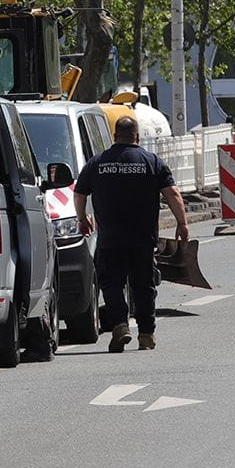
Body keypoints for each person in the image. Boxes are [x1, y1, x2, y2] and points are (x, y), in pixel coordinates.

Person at [73, 114, 188, 353]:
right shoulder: (151, 161)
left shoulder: (97, 163)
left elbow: (79, 194)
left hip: (110, 239)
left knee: (111, 283)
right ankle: (146, 334)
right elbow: (173, 194)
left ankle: (120, 325)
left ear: (115, 136)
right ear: (137, 136)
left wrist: (82, 219)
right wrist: (182, 223)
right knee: (143, 285)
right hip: (142, 239)